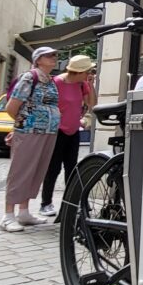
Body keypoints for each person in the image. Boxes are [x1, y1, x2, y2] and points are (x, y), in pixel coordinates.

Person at [0, 47, 60, 232]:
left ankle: (24, 212)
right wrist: (23, 126)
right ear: (38, 59)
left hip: (47, 132)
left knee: (35, 171)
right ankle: (8, 215)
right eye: (49, 55)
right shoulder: (29, 77)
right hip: (29, 131)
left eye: (55, 55)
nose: (54, 58)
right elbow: (12, 107)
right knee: (20, 171)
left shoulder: (50, 80)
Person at [38, 55, 97, 217]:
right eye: (88, 71)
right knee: (53, 168)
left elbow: (92, 103)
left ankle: (73, 202)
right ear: (79, 71)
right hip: (57, 132)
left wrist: (91, 85)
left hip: (73, 131)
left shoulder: (82, 84)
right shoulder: (56, 83)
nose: (89, 73)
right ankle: (46, 203)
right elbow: (45, 105)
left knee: (72, 169)